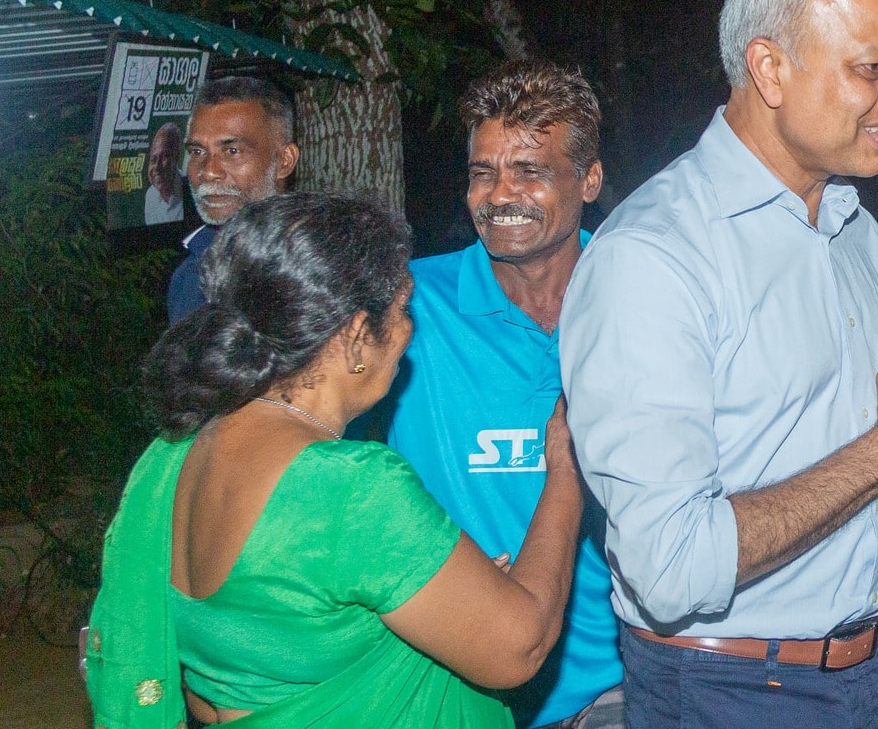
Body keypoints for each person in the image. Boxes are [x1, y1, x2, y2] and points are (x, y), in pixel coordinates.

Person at [560, 0, 878, 729]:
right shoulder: (656, 257)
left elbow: (862, 479)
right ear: (770, 68)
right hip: (731, 690)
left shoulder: (853, 229)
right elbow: (669, 566)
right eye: (873, 66)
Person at [87, 193, 582, 728]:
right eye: (402, 309)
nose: (410, 331)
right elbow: (521, 647)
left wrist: (448, 589)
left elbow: (227, 672)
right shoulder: (350, 491)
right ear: (353, 337)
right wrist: (566, 470)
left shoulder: (172, 458)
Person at [386, 61, 624, 729]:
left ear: (590, 179)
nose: (499, 194)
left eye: (529, 170)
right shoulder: (408, 306)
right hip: (449, 679)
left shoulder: (638, 301)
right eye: (483, 171)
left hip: (612, 681)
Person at [168, 76, 300, 323]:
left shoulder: (322, 267)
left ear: (284, 161)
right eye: (197, 152)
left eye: (232, 151)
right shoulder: (190, 275)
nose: (208, 171)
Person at [145, 121, 185, 225]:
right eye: (153, 160)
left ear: (176, 157)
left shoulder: (191, 191)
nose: (157, 167)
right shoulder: (150, 195)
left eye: (164, 157)